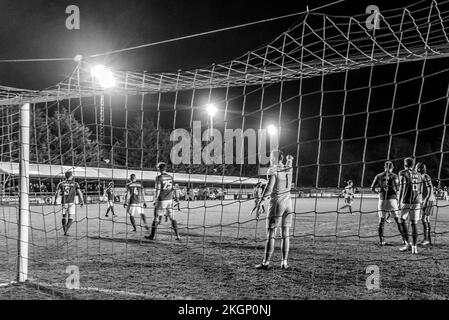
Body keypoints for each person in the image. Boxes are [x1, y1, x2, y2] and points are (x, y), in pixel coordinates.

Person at [253, 150, 294, 270]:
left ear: (275, 159)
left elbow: (269, 188)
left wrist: (261, 201)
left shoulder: (272, 170)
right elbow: (290, 161)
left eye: (271, 157)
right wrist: (289, 159)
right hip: (288, 204)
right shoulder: (289, 169)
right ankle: (284, 263)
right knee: (285, 234)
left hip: (277, 204)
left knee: (271, 234)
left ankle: (266, 263)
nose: (270, 159)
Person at [370, 161, 404, 246]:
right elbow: (398, 188)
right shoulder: (394, 175)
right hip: (392, 200)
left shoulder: (378, 175)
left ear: (384, 167)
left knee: (381, 221)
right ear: (392, 168)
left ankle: (382, 241)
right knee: (397, 220)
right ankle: (404, 239)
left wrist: (378, 192)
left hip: (382, 200)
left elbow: (372, 188)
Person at [146, 162, 181, 241]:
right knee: (172, 218)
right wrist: (175, 198)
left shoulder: (158, 177)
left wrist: (155, 200)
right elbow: (173, 188)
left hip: (162, 200)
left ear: (159, 169)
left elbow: (158, 189)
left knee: (156, 218)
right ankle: (178, 235)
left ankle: (151, 236)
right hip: (170, 200)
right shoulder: (171, 177)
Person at [398, 157, 423, 254]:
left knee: (401, 220)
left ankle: (407, 243)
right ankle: (414, 248)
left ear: (405, 164)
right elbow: (420, 188)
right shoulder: (419, 174)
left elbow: (402, 187)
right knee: (413, 223)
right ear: (413, 164)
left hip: (406, 199)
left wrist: (399, 201)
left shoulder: (402, 172)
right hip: (417, 201)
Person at [54, 171, 84, 236]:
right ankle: (66, 231)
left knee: (64, 216)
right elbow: (80, 193)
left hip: (64, 202)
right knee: (71, 217)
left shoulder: (61, 183)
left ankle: (65, 231)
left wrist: (55, 200)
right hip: (71, 203)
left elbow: (57, 193)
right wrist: (82, 201)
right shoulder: (75, 183)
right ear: (71, 176)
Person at [415, 163, 435, 246]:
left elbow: (430, 188)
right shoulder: (421, 177)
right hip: (427, 199)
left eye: (416, 167)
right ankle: (428, 239)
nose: (415, 168)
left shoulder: (425, 176)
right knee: (426, 219)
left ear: (419, 169)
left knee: (423, 219)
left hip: (428, 200)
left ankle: (426, 240)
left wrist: (426, 199)